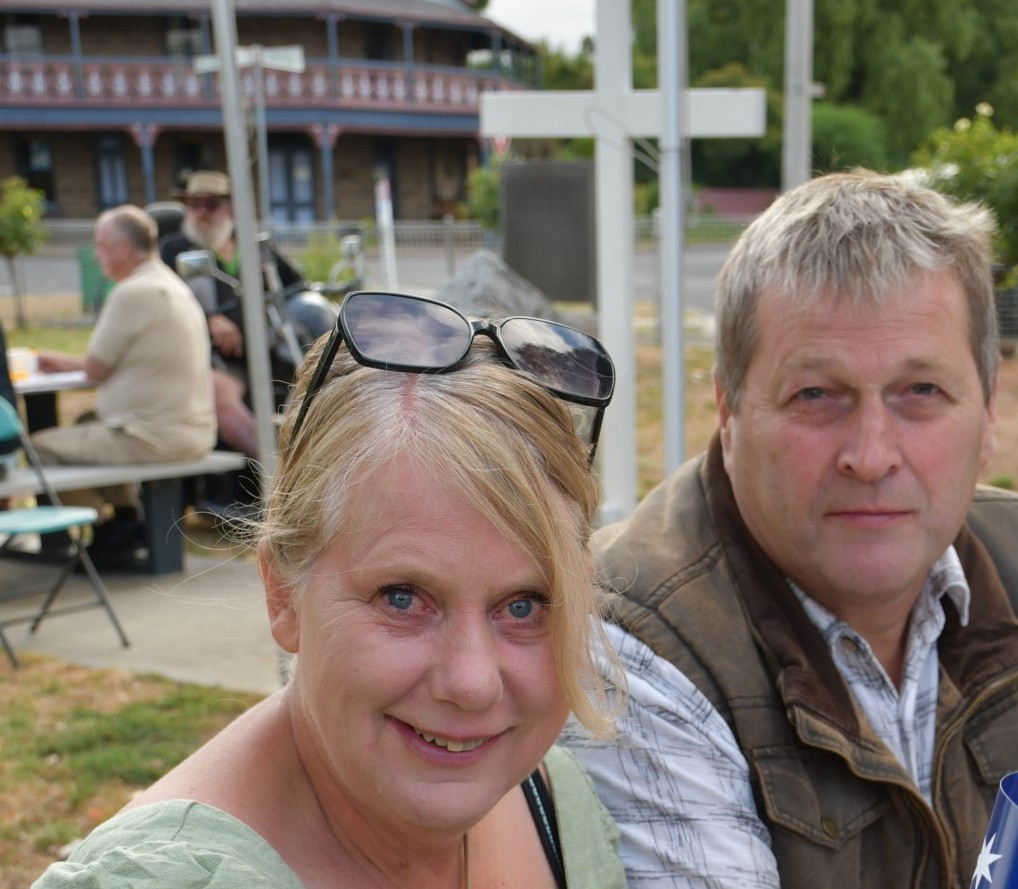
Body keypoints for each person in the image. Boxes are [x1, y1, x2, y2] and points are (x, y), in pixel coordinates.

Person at [560, 169, 1018, 888]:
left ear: (988, 410)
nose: (871, 455)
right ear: (729, 413)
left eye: (920, 392)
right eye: (816, 394)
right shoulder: (633, 644)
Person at [33, 291, 625, 888]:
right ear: (282, 593)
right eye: (402, 598)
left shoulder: (555, 801)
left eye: (524, 606)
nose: (472, 683)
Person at [32, 204, 215, 571]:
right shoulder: (170, 285)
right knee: (87, 419)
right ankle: (127, 518)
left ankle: (106, 528)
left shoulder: (133, 291)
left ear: (121, 248)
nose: (97, 256)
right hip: (192, 430)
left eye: (100, 246)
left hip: (151, 435)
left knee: (38, 447)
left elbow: (96, 368)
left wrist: (46, 360)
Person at [160, 170, 304, 460]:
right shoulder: (175, 249)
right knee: (219, 392)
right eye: (194, 205)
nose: (202, 213)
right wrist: (207, 318)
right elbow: (163, 300)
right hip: (215, 359)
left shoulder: (255, 247)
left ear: (230, 208)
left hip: (269, 352)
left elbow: (296, 286)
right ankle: (274, 475)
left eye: (211, 204)